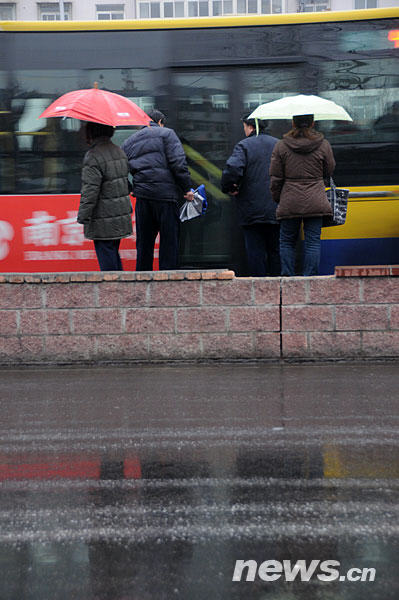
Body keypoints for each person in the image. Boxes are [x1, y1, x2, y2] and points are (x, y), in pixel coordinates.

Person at [121, 109, 194, 271]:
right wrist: (186, 188)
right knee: (169, 242)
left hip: (143, 198)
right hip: (166, 197)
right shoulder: (167, 134)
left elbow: (118, 170)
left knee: (144, 244)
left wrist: (131, 189)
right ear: (160, 121)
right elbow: (178, 163)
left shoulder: (130, 141)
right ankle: (167, 283)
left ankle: (143, 281)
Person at [269, 114, 335, 276]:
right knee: (313, 243)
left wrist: (279, 197)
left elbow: (275, 176)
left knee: (286, 242)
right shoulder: (323, 144)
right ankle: (309, 278)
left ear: (293, 123)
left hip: (290, 199)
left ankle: (288, 277)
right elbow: (330, 169)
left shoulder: (281, 146)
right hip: (316, 199)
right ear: (312, 123)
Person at [221, 115, 280, 276]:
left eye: (245, 127)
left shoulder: (244, 145)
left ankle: (260, 288)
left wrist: (229, 187)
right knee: (276, 251)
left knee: (256, 251)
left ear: (250, 127)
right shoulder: (278, 144)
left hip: (251, 209)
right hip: (277, 207)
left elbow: (232, 170)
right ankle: (277, 287)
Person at [77, 121, 132, 271]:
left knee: (107, 260)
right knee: (112, 253)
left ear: (92, 133)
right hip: (119, 215)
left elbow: (90, 190)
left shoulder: (93, 156)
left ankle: (112, 292)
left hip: (103, 218)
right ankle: (120, 289)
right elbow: (126, 183)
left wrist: (83, 216)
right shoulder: (119, 151)